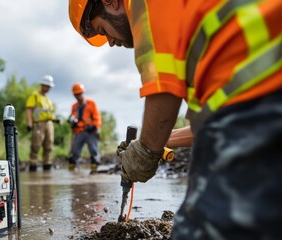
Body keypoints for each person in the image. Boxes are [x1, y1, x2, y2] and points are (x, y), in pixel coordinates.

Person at [68, 0, 282, 239]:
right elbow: (205, 127)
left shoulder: (145, 5)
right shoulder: (207, 43)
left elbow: (163, 92)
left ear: (109, 1)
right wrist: (156, 142)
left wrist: (146, 150)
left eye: (102, 30)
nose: (110, 41)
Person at [26, 75, 60, 172]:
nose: (48, 88)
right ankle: (33, 166)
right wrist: (29, 123)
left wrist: (55, 119)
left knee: (49, 146)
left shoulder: (48, 100)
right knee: (35, 146)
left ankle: (47, 167)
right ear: (42, 85)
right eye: (47, 86)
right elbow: (29, 109)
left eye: (49, 87)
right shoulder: (35, 96)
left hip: (49, 124)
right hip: (39, 124)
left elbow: (48, 113)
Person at [67, 83, 101, 172]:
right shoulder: (74, 106)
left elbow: (97, 117)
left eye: (80, 93)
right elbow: (74, 118)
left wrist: (94, 126)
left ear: (83, 93)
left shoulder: (91, 103)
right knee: (74, 152)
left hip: (91, 132)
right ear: (74, 95)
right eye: (76, 94)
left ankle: (94, 172)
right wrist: (72, 123)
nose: (78, 96)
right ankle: (72, 172)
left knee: (94, 152)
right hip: (79, 132)